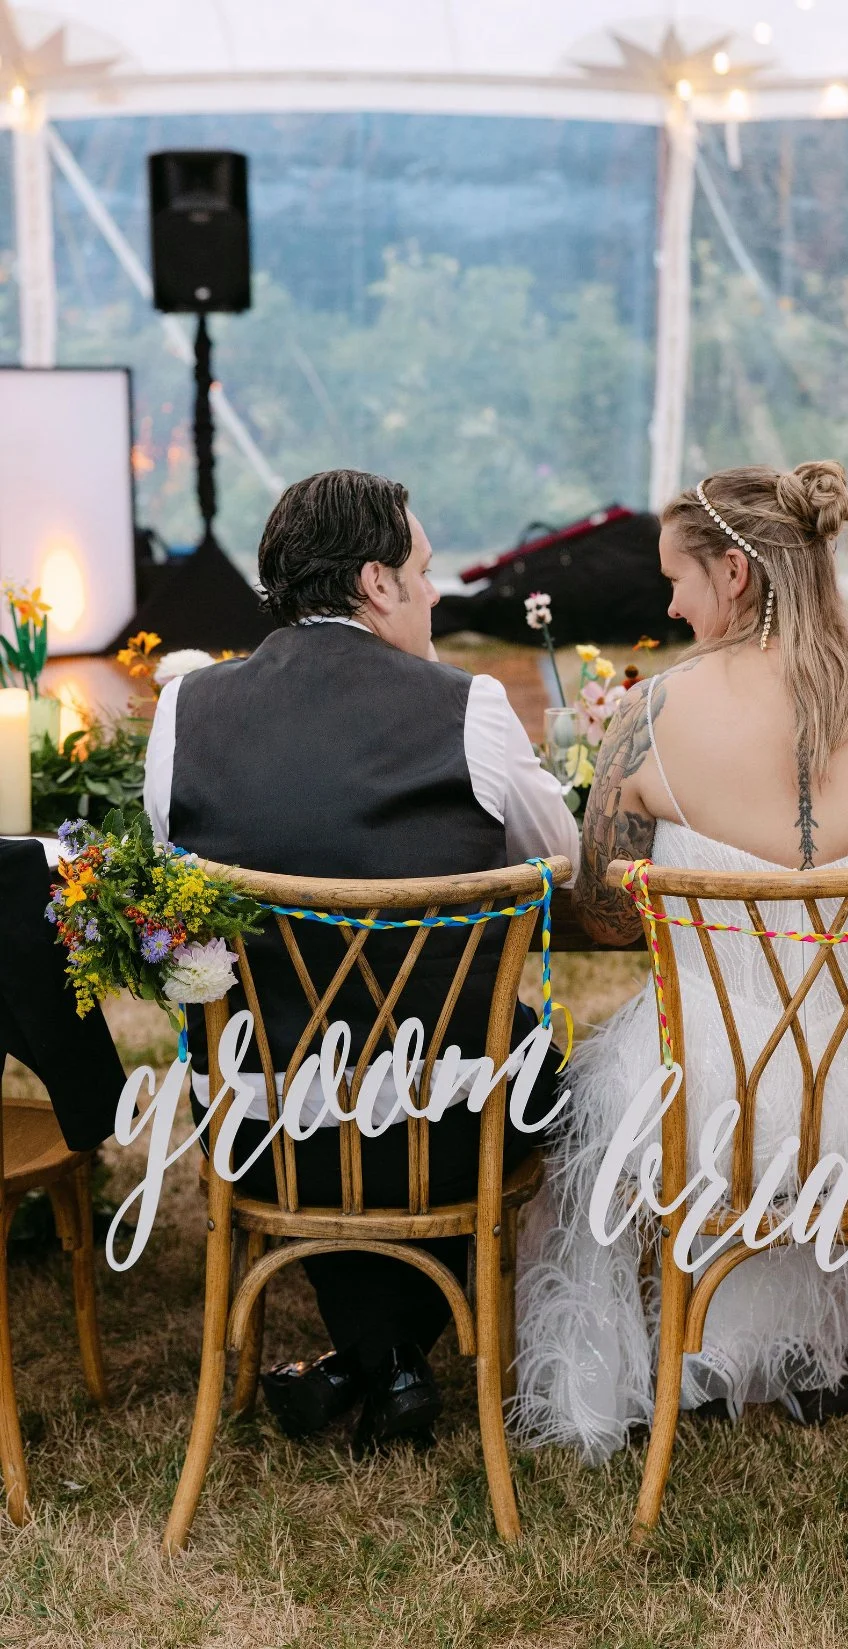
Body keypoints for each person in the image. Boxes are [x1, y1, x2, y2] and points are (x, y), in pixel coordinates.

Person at [512, 461, 848, 1461]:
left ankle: (695, 1353)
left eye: (678, 578)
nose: (670, 601)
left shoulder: (654, 712)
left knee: (585, 1121)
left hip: (706, 1093)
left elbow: (606, 910)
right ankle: (802, 1343)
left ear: (733, 574)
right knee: (814, 1056)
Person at [143, 469, 577, 1452]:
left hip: (266, 1118)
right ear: (378, 583)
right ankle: (392, 1358)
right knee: (545, 1081)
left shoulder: (185, 710)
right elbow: (561, 858)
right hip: (451, 1112)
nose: (430, 594)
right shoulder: (464, 707)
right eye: (422, 575)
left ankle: (367, 1360)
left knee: (315, 1066)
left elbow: (176, 871)